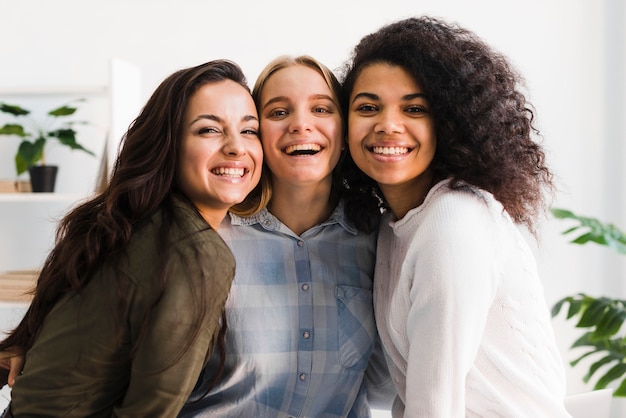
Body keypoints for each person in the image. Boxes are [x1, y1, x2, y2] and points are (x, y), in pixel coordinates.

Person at [0, 59, 263, 417]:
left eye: (249, 131)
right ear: (168, 144)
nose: (236, 147)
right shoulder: (197, 252)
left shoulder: (124, 221)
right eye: (208, 130)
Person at [340, 16, 571, 417]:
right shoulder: (393, 227)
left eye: (414, 108)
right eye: (368, 106)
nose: (387, 125)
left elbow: (434, 408)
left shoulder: (454, 221)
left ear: (448, 123)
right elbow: (383, 388)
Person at [179, 55, 393, 418]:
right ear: (256, 134)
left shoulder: (377, 240)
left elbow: (386, 388)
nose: (301, 124)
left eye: (322, 109)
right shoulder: (209, 237)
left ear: (345, 133)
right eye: (278, 112)